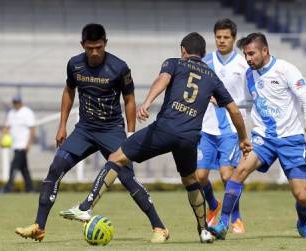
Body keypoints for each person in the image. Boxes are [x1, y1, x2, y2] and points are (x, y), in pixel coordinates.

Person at [61, 32, 252, 243]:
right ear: (204, 53)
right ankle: (203, 230)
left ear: (183, 51)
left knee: (116, 158)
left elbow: (163, 79)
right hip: (189, 137)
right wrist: (243, 138)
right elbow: (234, 110)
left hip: (165, 129)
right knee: (190, 180)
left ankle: (85, 208)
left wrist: (147, 102)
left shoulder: (174, 63)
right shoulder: (212, 76)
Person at [15, 23, 167, 243]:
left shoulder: (120, 67)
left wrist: (131, 132)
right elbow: (69, 91)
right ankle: (39, 226)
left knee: (127, 178)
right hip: (84, 131)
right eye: (89, 48)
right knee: (55, 168)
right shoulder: (74, 65)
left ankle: (159, 227)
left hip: (112, 131)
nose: (94, 52)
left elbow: (129, 99)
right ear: (82, 45)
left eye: (98, 47)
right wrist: (62, 125)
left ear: (105, 43)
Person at [209, 32, 306, 240]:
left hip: (291, 139)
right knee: (239, 171)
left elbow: (305, 96)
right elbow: (248, 101)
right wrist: (222, 101)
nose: (248, 59)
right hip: (263, 139)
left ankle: (303, 224)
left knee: (301, 195)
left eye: (252, 54)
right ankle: (223, 223)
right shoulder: (249, 75)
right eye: (246, 55)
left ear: (265, 51)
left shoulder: (286, 69)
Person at [197, 18, 248, 233]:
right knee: (199, 177)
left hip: (230, 129)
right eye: (218, 37)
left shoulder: (244, 65)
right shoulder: (205, 62)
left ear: (233, 39)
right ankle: (213, 205)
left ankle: (235, 217)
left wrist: (231, 105)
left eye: (226, 37)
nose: (221, 40)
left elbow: (252, 98)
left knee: (228, 175)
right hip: (206, 128)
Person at [0, 95, 35, 193]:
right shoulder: (11, 113)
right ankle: (30, 188)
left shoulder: (27, 112)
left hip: (23, 145)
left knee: (13, 166)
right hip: (14, 145)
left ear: (21, 102)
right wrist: (1, 138)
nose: (16, 104)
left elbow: (32, 129)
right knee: (24, 169)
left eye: (17, 102)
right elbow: (6, 127)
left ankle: (7, 188)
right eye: (14, 102)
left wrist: (28, 144)